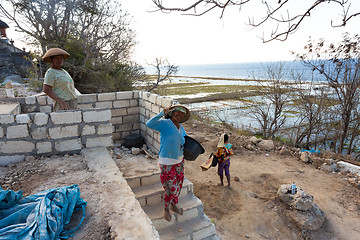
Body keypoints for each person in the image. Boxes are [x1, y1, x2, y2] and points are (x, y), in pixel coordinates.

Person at [146, 105, 190, 221]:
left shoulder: (181, 128)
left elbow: (184, 142)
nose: (180, 115)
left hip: (179, 161)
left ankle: (174, 204)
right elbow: (149, 124)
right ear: (172, 113)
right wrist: (161, 113)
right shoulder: (164, 124)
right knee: (170, 188)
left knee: (178, 186)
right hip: (167, 162)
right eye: (178, 112)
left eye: (182, 114)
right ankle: (166, 208)